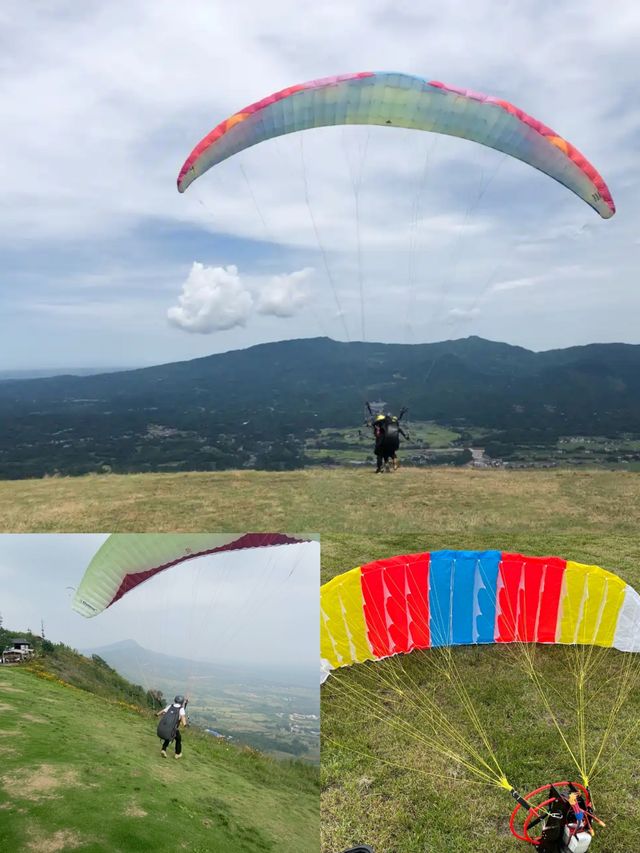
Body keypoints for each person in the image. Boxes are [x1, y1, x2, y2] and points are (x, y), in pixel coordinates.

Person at [156, 695, 188, 759]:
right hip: (173, 728)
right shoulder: (181, 709)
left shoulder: (171, 706)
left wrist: (157, 714)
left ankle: (163, 750)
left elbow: (163, 711)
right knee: (178, 739)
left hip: (167, 726)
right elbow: (182, 717)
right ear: (181, 702)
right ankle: (177, 754)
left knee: (169, 736)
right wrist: (185, 724)